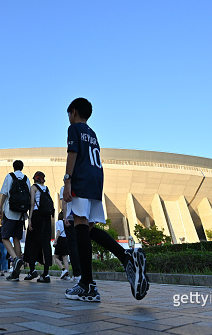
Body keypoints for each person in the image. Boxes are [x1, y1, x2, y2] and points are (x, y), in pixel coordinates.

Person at [62, 97, 149, 302]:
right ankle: (125, 256)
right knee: (87, 229)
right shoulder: (93, 134)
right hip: (95, 181)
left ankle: (87, 285)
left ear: (73, 112)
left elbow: (72, 153)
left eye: (68, 114)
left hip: (81, 180)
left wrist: (67, 180)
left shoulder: (74, 129)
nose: (68, 118)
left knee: (80, 226)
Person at [0, 160, 31, 281]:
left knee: (5, 238)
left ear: (13, 167)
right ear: (22, 168)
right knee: (17, 238)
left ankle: (15, 259)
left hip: (10, 212)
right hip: (21, 214)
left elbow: (4, 193)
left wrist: (0, 208)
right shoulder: (26, 179)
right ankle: (16, 273)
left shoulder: (9, 176)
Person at [24, 171, 54, 283]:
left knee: (32, 242)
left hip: (36, 216)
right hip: (46, 218)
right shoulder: (47, 189)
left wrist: (30, 219)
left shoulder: (33, 188)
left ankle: (32, 270)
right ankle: (46, 274)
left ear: (34, 179)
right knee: (45, 244)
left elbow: (32, 204)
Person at [60, 186, 81, 283]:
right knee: (80, 245)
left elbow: (63, 202)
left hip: (70, 219)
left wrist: (64, 217)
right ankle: (82, 272)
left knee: (72, 247)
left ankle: (77, 274)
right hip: (80, 218)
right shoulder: (79, 186)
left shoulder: (64, 188)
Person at [53, 211, 70, 280]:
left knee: (55, 257)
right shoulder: (66, 222)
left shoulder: (58, 222)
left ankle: (63, 270)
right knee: (65, 258)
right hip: (66, 240)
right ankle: (67, 275)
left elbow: (58, 231)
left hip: (60, 240)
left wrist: (55, 240)